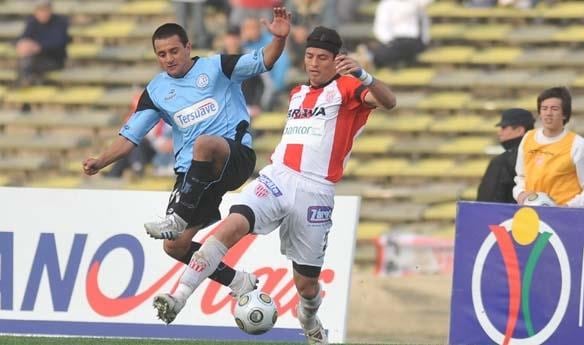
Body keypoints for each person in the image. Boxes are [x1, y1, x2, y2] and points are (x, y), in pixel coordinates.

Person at [150, 26, 396, 345]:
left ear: (337, 61)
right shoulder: (297, 93)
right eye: (309, 56)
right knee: (229, 228)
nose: (314, 63)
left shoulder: (348, 89)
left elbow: (389, 102)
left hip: (316, 191)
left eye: (323, 58)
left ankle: (308, 315)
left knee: (307, 285)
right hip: (277, 176)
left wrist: (364, 75)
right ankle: (178, 297)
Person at [83, 7, 291, 298]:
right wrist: (101, 161)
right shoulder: (156, 90)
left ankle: (178, 217)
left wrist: (279, 40)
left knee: (204, 143)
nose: (168, 59)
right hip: (193, 175)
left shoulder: (217, 67)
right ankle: (238, 282)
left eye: (173, 51)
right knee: (175, 246)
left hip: (234, 157)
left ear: (188, 48)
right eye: (162, 54)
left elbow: (263, 61)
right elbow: (131, 135)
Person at [514, 87, 584, 207]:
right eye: (544, 108)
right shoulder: (528, 137)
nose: (548, 113)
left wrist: (570, 207)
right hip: (531, 215)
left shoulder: (578, 144)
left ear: (564, 114)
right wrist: (520, 193)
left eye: (554, 109)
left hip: (564, 218)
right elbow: (521, 176)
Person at [476, 108, 535, 203]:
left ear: (520, 130)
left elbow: (487, 201)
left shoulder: (501, 161)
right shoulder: (541, 156)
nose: (499, 132)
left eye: (504, 128)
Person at [15, 0, 69, 86]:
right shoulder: (32, 22)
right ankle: (30, 82)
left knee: (27, 63)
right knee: (25, 61)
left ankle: (28, 83)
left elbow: (59, 43)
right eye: (40, 10)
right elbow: (24, 37)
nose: (42, 13)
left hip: (54, 60)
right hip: (35, 59)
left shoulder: (60, 22)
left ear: (50, 10)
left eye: (45, 9)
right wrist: (22, 44)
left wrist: (39, 47)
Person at [369, 0, 431, 69]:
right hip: (394, 42)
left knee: (379, 55)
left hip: (414, 41)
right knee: (382, 53)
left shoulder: (416, 2)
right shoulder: (386, 4)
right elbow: (380, 28)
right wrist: (390, 42)